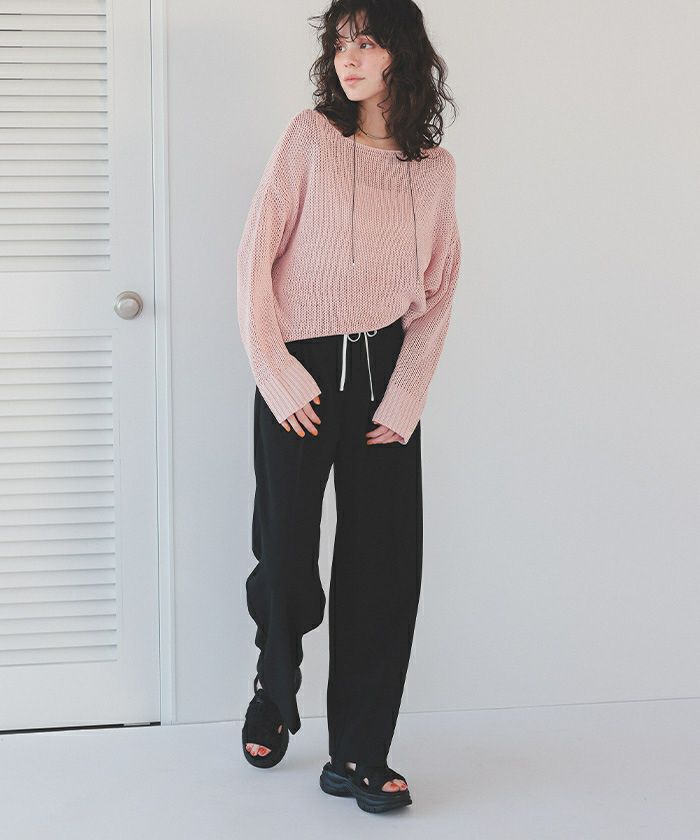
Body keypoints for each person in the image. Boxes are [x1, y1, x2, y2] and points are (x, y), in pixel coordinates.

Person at [236, 0, 461, 814]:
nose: (349, 58)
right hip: (301, 372)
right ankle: (275, 682)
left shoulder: (434, 170)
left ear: (401, 54)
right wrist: (277, 374)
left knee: (384, 565)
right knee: (286, 552)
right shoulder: (309, 138)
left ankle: (360, 753)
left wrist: (406, 396)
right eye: (339, 44)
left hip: (384, 378)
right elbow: (254, 258)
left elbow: (439, 291)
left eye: (365, 43)